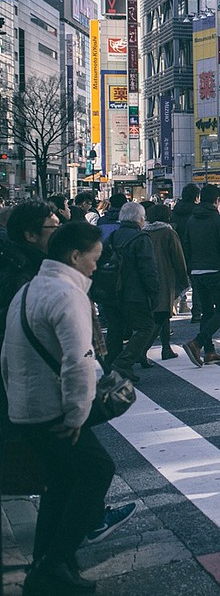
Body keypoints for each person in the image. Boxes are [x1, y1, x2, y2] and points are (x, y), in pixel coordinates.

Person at [1, 222, 119, 593]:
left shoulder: (28, 289)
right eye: (94, 258)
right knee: (97, 470)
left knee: (61, 482)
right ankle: (53, 563)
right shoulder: (69, 295)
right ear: (75, 256)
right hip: (52, 411)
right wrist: (76, 415)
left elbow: (6, 355)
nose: (96, 266)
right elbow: (78, 362)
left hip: (25, 406)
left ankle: (48, 567)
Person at [101, 202, 160, 382]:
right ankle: (123, 363)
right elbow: (148, 269)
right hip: (134, 293)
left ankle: (110, 364)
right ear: (140, 218)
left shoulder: (113, 236)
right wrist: (154, 292)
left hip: (111, 292)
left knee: (115, 328)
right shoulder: (140, 238)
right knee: (145, 327)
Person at [180, 185, 220, 367]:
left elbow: (186, 245)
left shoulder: (192, 220)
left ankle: (209, 351)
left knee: (207, 312)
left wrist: (191, 266)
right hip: (215, 269)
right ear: (216, 200)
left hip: (197, 270)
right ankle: (197, 342)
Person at [143, 203, 188, 362]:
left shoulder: (143, 232)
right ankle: (142, 350)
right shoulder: (168, 233)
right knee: (162, 314)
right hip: (165, 276)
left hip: (146, 276)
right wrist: (184, 280)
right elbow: (178, 258)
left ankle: (166, 347)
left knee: (160, 313)